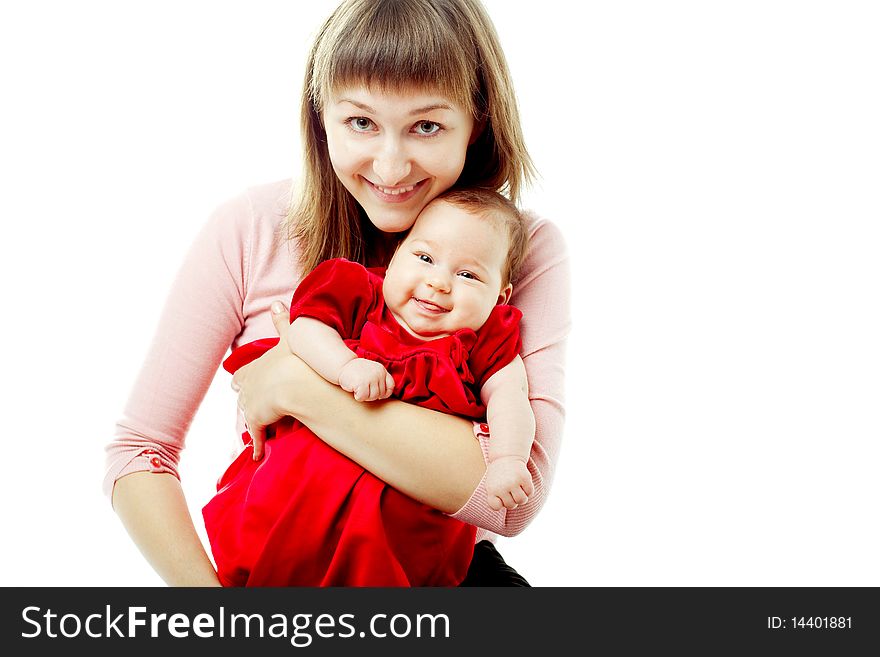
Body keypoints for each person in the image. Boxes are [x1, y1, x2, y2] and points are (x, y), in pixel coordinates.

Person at [105, 0, 570, 587]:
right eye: (360, 122)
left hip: (443, 578)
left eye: (426, 125)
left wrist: (300, 387)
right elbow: (140, 452)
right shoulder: (252, 227)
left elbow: (509, 502)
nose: (391, 164)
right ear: (321, 116)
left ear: (475, 123)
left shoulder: (519, 248)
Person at [203, 189, 535, 586]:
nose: (439, 282)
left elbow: (510, 399)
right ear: (396, 254)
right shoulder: (358, 294)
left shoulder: (485, 341)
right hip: (285, 515)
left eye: (468, 275)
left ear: (500, 297)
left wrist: (508, 461)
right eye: (425, 258)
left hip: (399, 552)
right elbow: (304, 330)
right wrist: (346, 367)